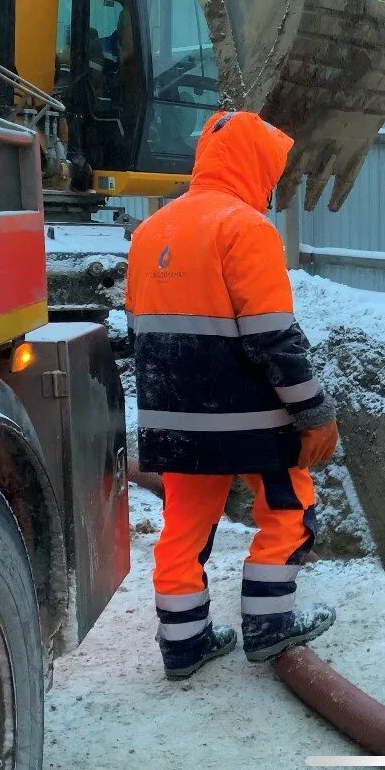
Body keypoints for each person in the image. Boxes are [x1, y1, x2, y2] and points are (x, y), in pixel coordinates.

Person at [126, 110, 339, 680]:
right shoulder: (244, 228)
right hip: (249, 421)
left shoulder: (149, 233)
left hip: (173, 417)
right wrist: (314, 413)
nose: (271, 185)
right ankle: (270, 626)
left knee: (183, 532)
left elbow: (141, 333)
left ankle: (184, 644)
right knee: (291, 513)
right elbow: (274, 336)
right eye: (270, 171)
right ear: (253, 165)